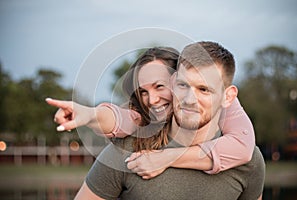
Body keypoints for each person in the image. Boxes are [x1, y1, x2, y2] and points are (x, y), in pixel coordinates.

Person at [73, 41, 265, 199]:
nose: (153, 100)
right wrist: (90, 115)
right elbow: (120, 119)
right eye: (143, 92)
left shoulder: (247, 158)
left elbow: (243, 145)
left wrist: (165, 158)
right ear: (176, 83)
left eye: (204, 89)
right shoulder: (129, 149)